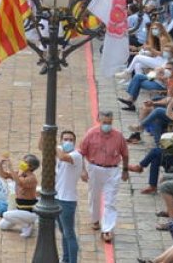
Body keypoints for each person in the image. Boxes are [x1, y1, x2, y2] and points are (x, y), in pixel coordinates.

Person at [77, 111, 129, 243]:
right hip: (95, 168)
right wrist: (83, 170)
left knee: (110, 200)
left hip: (112, 170)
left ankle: (107, 229)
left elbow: (125, 154)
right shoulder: (91, 134)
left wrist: (125, 170)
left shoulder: (118, 136)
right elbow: (81, 152)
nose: (107, 125)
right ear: (99, 120)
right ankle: (95, 219)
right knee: (94, 196)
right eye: (105, 122)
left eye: (109, 122)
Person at [55, 130, 84, 263]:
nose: (68, 142)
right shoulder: (59, 154)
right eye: (65, 139)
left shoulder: (76, 156)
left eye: (71, 139)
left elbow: (62, 157)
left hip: (67, 201)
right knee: (63, 232)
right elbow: (41, 147)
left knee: (69, 233)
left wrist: (56, 145)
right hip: (57, 197)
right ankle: (66, 259)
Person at [0, 154, 39, 237]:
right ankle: (23, 222)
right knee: (2, 225)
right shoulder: (20, 173)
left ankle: (27, 224)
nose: (22, 163)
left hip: (29, 212)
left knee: (6, 215)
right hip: (19, 209)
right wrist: (0, 165)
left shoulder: (32, 179)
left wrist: (10, 168)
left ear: (31, 166)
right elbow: (4, 175)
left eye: (25, 162)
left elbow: (19, 182)